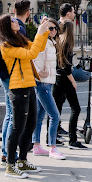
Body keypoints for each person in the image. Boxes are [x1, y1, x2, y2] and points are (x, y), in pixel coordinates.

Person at [0, 13, 52, 178]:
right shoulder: (6, 45)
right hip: (18, 89)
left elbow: (37, 48)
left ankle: (22, 160)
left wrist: (44, 31)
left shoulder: (18, 39)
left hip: (29, 86)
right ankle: (10, 165)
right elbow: (31, 54)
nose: (16, 21)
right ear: (6, 26)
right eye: (12, 20)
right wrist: (40, 31)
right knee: (17, 127)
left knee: (31, 124)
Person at [0, 0, 31, 164]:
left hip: (5, 75)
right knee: (13, 117)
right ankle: (8, 153)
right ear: (28, 12)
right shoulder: (19, 29)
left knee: (9, 115)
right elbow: (27, 54)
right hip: (13, 77)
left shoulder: (5, 26)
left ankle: (5, 151)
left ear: (13, 10)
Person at [31, 18, 66, 160]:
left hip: (47, 82)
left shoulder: (52, 42)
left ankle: (36, 145)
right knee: (55, 115)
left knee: (39, 116)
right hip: (42, 82)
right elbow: (33, 59)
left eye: (55, 28)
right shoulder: (43, 42)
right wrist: (39, 74)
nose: (53, 31)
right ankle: (53, 148)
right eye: (50, 28)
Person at [53, 20, 87, 149]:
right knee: (75, 108)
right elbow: (66, 67)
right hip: (64, 79)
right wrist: (73, 81)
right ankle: (73, 140)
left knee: (55, 110)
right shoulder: (66, 43)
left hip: (57, 78)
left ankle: (52, 137)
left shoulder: (57, 41)